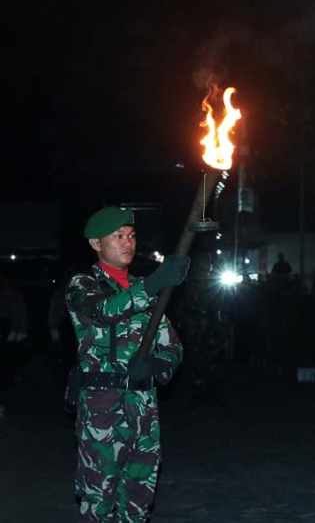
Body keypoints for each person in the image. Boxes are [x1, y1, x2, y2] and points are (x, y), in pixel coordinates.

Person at [65, 206, 190, 522]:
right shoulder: (83, 285)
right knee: (100, 500)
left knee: (138, 502)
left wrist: (157, 365)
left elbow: (173, 347)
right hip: (102, 411)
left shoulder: (145, 292)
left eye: (132, 235)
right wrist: (152, 285)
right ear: (96, 243)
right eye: (117, 236)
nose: (127, 242)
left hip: (144, 410)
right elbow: (104, 311)